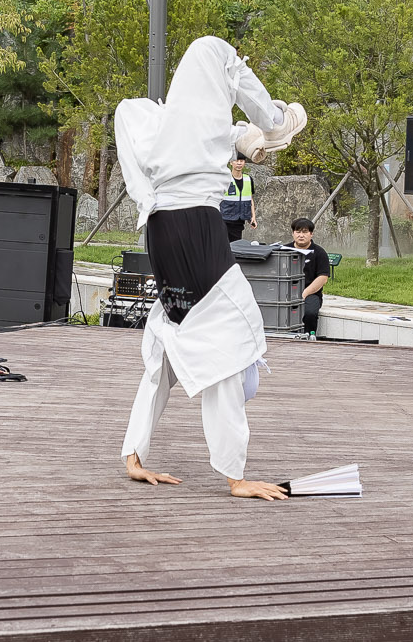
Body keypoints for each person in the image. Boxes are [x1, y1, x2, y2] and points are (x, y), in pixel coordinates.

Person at [115, 36, 307, 500]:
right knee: (232, 335)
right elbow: (243, 87)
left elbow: (228, 132)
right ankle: (234, 474)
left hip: (161, 233)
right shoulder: (211, 51)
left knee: (169, 331)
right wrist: (277, 124)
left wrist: (254, 142)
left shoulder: (154, 124)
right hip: (197, 227)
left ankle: (133, 454)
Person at [289, 218, 331, 336]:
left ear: (311, 234)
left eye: (305, 232)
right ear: (293, 233)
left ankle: (309, 337)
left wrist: (305, 293)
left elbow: (323, 277)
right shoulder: (284, 251)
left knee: (310, 313)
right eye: (298, 232)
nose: (301, 235)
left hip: (311, 294)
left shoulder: (319, 252)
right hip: (285, 293)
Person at [221, 155, 256, 242]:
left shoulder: (248, 179)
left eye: (241, 161)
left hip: (239, 221)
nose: (239, 163)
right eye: (236, 160)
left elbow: (250, 199)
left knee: (235, 247)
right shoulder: (225, 179)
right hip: (224, 219)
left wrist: (253, 217)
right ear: (231, 162)